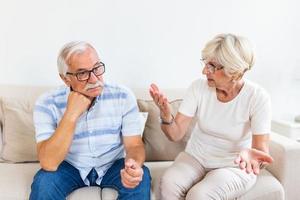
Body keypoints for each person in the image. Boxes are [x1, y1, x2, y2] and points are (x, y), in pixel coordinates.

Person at [149, 33, 274, 200]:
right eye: (205, 63)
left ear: (234, 71)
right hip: (196, 158)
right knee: (168, 185)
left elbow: (261, 153)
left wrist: (253, 156)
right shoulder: (198, 88)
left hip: (233, 166)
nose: (204, 71)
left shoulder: (257, 97)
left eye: (212, 66)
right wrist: (165, 116)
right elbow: (175, 134)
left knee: (199, 195)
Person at [29, 41, 151, 200]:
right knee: (44, 182)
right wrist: (71, 115)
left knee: (141, 178)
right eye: (82, 73)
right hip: (69, 166)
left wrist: (133, 165)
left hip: (112, 164)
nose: (94, 79)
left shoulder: (123, 95)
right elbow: (49, 163)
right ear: (66, 79)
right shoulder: (46, 103)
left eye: (97, 68)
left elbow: (134, 145)